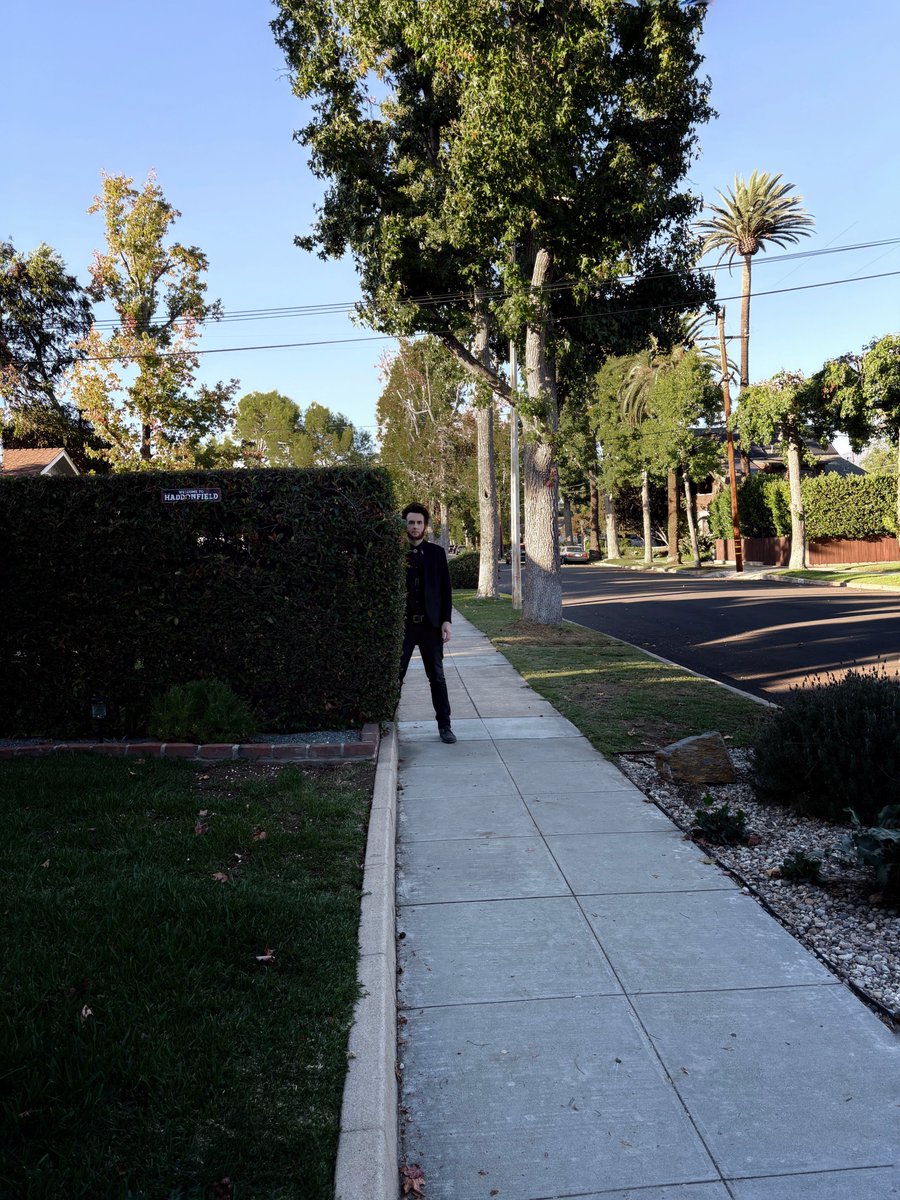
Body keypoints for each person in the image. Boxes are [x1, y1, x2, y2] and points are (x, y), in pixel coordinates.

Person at [399, 502, 456, 743]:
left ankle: (445, 726)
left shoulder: (436, 553)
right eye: (411, 522)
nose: (414, 527)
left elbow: (446, 589)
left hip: (431, 626)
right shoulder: (395, 553)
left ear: (425, 525)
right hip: (403, 627)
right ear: (405, 525)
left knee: (437, 677)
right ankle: (387, 725)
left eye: (419, 522)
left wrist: (446, 620)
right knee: (395, 676)